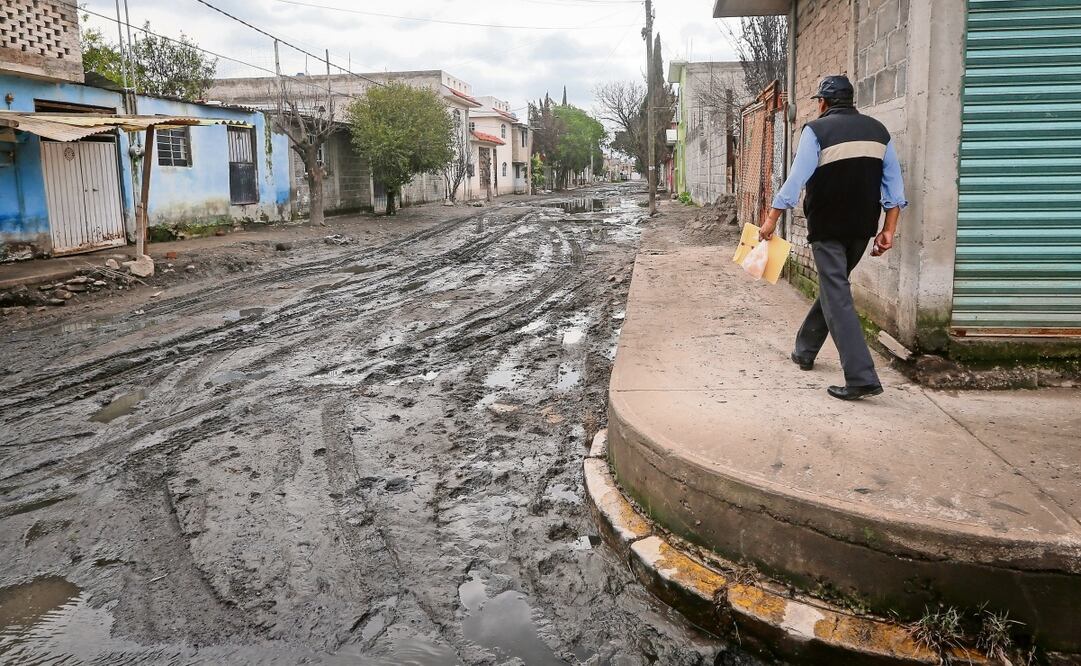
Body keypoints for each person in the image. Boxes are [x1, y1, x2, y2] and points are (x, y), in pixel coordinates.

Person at [759, 75, 907, 401]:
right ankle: (805, 349)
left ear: (823, 103)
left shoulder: (816, 131)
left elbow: (795, 180)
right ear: (852, 101)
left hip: (827, 228)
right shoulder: (879, 132)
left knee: (837, 293)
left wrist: (770, 221)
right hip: (862, 229)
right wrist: (888, 231)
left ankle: (861, 376)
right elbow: (894, 189)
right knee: (833, 287)